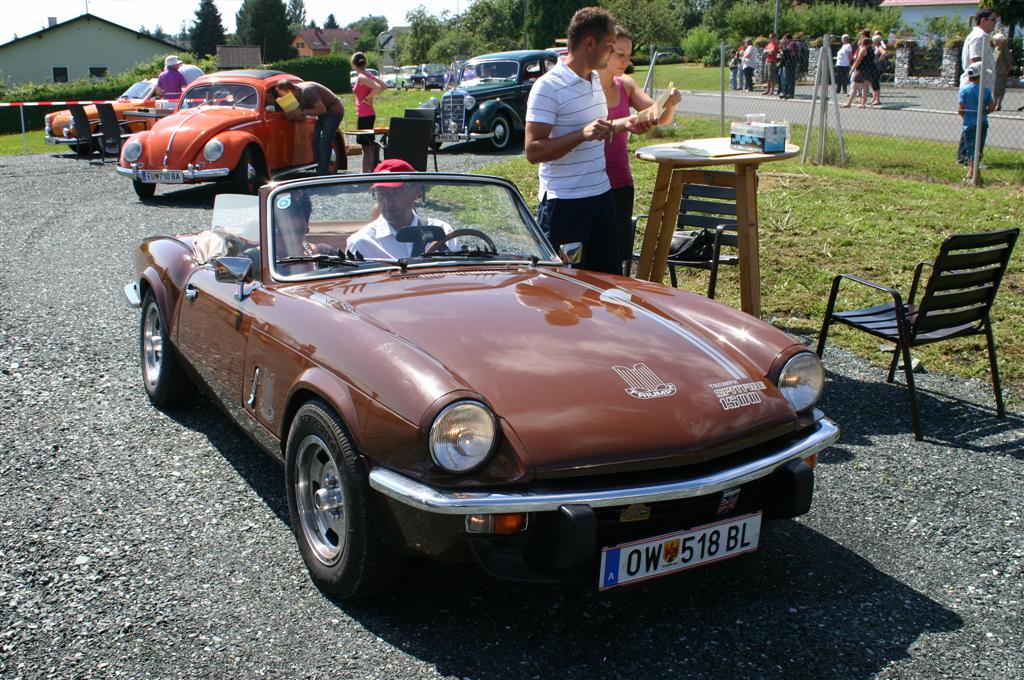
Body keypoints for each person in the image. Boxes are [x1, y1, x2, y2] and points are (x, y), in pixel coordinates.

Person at [525, 6, 626, 275]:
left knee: (610, 287)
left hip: (601, 197)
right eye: (609, 46)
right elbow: (533, 150)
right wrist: (582, 134)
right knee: (564, 295)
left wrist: (621, 126)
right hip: (565, 205)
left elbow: (594, 130)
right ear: (589, 43)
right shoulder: (548, 86)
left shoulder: (595, 80)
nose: (612, 53)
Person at [599, 24, 680, 274]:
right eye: (620, 54)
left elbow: (658, 115)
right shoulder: (585, 86)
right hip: (590, 181)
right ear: (604, 51)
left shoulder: (625, 84)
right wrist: (629, 123)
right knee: (595, 257)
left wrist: (670, 103)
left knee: (618, 255)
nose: (626, 60)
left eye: (629, 54)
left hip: (621, 179)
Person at [345, 159, 455, 260]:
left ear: (415, 192)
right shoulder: (361, 243)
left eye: (395, 192)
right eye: (381, 193)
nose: (388, 201)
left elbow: (459, 275)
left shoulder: (442, 231)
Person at [270, 79, 344, 176]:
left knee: (324, 142)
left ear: (289, 91)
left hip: (334, 112)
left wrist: (301, 112)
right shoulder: (295, 95)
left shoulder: (307, 91)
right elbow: (301, 117)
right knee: (314, 142)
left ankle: (323, 173)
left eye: (282, 95)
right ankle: (320, 167)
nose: (281, 97)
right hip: (322, 114)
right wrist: (291, 114)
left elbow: (322, 109)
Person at [957, 63, 995, 182]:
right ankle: (973, 172)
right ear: (980, 76)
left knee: (970, 147)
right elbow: (992, 107)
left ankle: (974, 174)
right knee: (979, 146)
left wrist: (966, 116)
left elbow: (961, 108)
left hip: (969, 123)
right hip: (982, 121)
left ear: (969, 77)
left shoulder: (964, 90)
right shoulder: (986, 90)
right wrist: (983, 113)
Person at [351, 52, 387, 172]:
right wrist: (370, 96)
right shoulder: (367, 74)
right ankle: (370, 172)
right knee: (368, 146)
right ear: (365, 63)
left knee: (366, 148)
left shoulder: (361, 77)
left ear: (353, 64)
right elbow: (383, 86)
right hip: (367, 114)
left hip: (365, 115)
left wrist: (368, 98)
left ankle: (367, 174)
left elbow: (378, 87)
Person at [962, 8, 999, 91]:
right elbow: (975, 64)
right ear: (983, 21)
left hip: (979, 88)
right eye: (993, 19)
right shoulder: (979, 37)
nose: (995, 22)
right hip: (976, 89)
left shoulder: (981, 36)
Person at [842, 37, 872, 108]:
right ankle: (863, 104)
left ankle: (848, 103)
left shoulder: (863, 49)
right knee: (865, 87)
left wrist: (852, 69)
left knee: (854, 86)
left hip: (861, 70)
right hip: (868, 70)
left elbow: (858, 60)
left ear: (863, 42)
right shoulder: (871, 49)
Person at [992, 33, 1009, 111]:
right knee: (995, 89)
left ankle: (998, 105)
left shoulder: (1005, 49)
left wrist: (1006, 70)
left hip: (1002, 72)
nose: (994, 42)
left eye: (996, 41)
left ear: (1001, 41)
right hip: (995, 71)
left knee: (1001, 89)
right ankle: (994, 103)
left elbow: (1009, 61)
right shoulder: (996, 49)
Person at [868, 35, 886, 106]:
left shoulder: (879, 47)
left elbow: (884, 53)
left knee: (876, 83)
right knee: (873, 83)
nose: (873, 42)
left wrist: (878, 60)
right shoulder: (875, 47)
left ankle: (877, 100)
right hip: (874, 68)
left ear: (876, 41)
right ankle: (874, 99)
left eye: (873, 41)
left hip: (877, 68)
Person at [778, 34, 798, 99]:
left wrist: (784, 50)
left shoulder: (792, 44)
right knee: (786, 79)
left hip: (791, 63)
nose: (784, 40)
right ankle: (785, 92)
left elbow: (792, 53)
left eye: (785, 39)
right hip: (787, 63)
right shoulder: (789, 45)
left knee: (790, 79)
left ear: (788, 38)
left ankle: (790, 93)